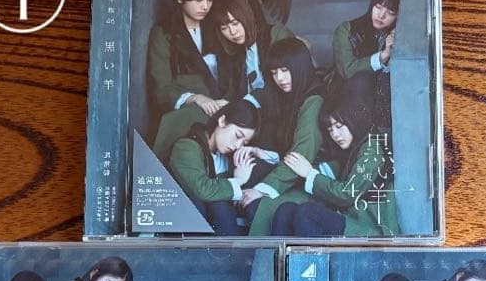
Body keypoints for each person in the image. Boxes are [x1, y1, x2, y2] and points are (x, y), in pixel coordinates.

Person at [152, 0, 290, 160]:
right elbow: (233, 91)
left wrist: (241, 103)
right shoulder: (235, 54)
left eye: (235, 23)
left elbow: (287, 81)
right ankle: (157, 163)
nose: (232, 32)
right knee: (188, 116)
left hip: (276, 109)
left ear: (246, 17)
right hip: (245, 113)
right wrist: (221, 102)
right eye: (224, 28)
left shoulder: (274, 34)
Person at [269, 74, 398, 237]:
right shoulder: (352, 147)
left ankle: (310, 255)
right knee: (285, 210)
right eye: (330, 129)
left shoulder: (372, 148)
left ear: (353, 120)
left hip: (368, 226)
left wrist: (310, 174)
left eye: (339, 126)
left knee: (308, 213)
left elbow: (348, 194)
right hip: (349, 216)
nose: (335, 134)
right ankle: (278, 255)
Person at [239, 38, 324, 235]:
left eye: (285, 70)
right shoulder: (290, 95)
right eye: (274, 72)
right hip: (292, 171)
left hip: (313, 176)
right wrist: (261, 152)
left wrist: (261, 190)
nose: (280, 78)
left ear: (299, 67)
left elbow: (300, 156)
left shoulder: (313, 100)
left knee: (257, 208)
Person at [166, 99, 261, 235]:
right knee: (218, 206)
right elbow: (202, 189)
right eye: (237, 135)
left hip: (213, 228)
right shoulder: (187, 147)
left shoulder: (227, 157)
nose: (238, 145)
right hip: (184, 226)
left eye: (244, 142)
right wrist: (238, 180)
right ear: (222, 121)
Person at [146, 0, 221, 120]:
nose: (205, 6)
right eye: (198, 0)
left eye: (209, 0)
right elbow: (161, 89)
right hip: (186, 112)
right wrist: (193, 98)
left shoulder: (217, 28)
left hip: (220, 104)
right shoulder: (164, 33)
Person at [332, 0, 401, 81]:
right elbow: (347, 70)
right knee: (362, 80)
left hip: (383, 88)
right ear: (372, 5)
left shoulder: (397, 36)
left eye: (390, 13)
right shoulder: (347, 30)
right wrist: (382, 56)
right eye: (378, 7)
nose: (381, 15)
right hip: (350, 88)